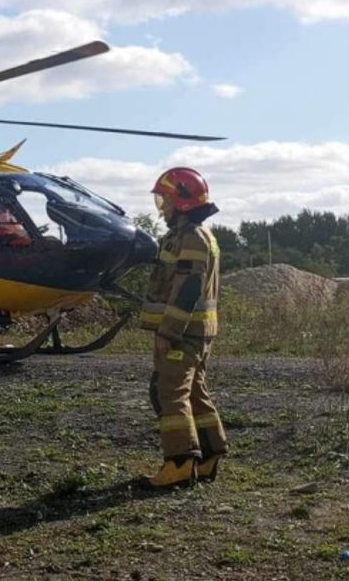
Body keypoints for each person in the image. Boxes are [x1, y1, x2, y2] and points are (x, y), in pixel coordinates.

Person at [139, 167, 227, 488]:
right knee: (193, 392)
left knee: (169, 393)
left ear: (183, 202)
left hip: (183, 332)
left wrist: (168, 331)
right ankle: (209, 455)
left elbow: (189, 287)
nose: (163, 209)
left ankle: (179, 463)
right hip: (196, 331)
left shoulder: (190, 237)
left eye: (166, 201)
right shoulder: (197, 235)